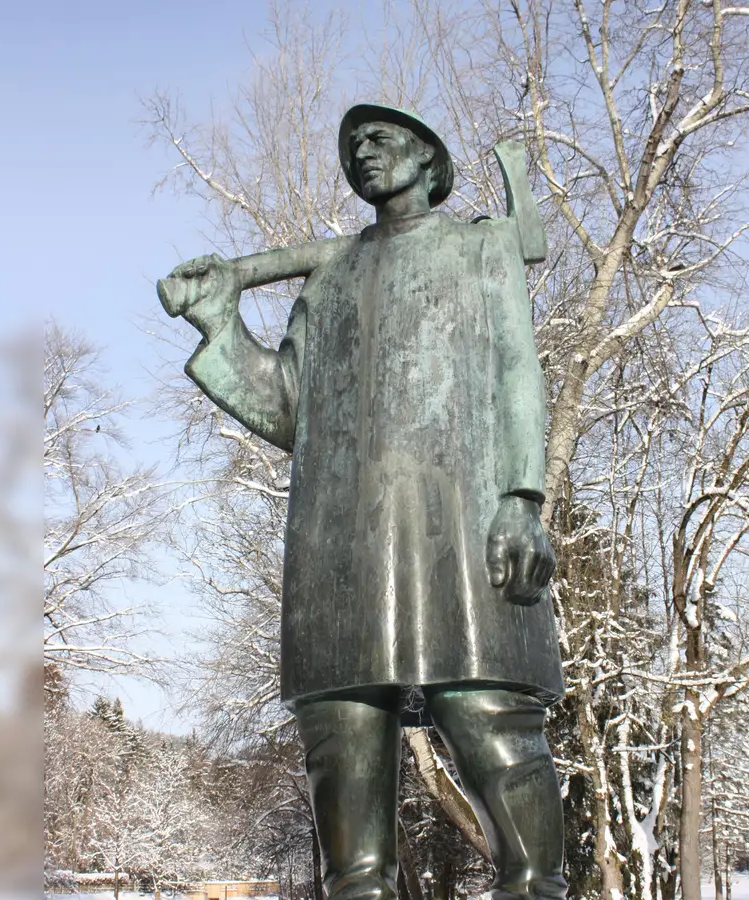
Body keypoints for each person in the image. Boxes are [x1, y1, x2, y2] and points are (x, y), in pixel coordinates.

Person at [160, 104, 567, 900]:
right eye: (354, 146)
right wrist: (221, 327)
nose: (363, 152)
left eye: (380, 138)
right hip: (339, 532)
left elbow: (520, 373)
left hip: (458, 514)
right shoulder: (332, 274)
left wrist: (522, 497)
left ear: (428, 157)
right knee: (341, 732)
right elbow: (293, 413)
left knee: (488, 714)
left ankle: (537, 885)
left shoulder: (482, 248)